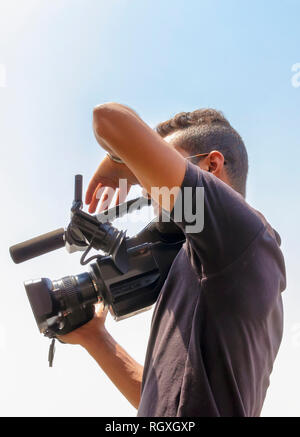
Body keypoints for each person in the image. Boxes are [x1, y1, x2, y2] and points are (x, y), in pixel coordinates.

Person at [58, 104, 286, 417]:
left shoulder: (238, 231)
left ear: (211, 165)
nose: (147, 182)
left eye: (161, 159)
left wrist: (120, 162)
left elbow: (108, 119)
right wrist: (95, 339)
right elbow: (163, 400)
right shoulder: (210, 260)